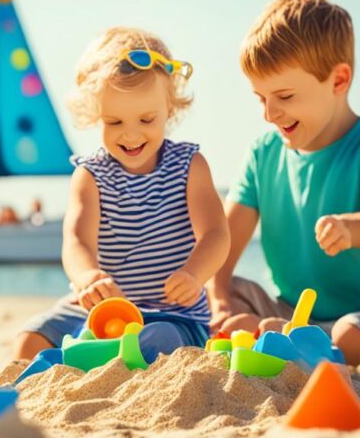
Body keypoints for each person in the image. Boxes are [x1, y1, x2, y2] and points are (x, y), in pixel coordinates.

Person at [207, 0, 360, 373]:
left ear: (338, 80)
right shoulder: (263, 154)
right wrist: (219, 300)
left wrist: (349, 228)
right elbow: (226, 238)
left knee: (348, 334)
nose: (269, 113)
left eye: (284, 96)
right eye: (260, 98)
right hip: (294, 311)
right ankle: (286, 338)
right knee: (225, 288)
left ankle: (293, 342)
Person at [14, 27, 229, 361]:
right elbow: (76, 240)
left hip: (171, 312)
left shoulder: (189, 166)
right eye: (114, 122)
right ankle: (90, 354)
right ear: (95, 115)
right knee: (30, 340)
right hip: (102, 310)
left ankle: (95, 357)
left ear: (169, 110)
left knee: (159, 341)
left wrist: (195, 274)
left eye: (146, 119)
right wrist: (88, 277)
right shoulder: (90, 175)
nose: (131, 134)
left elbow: (216, 233)